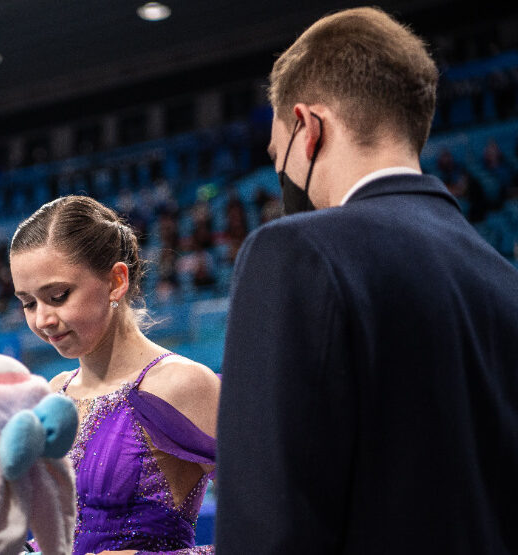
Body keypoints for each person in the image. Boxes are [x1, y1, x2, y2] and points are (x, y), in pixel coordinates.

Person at [216, 7, 518, 554]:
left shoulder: (293, 253)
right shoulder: (503, 280)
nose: (280, 173)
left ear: (308, 129)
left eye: (276, 153)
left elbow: (268, 522)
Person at [9, 195, 221, 555]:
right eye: (28, 303)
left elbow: (276, 523)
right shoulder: (55, 392)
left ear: (116, 281)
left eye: (58, 296)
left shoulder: (180, 384)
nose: (41, 320)